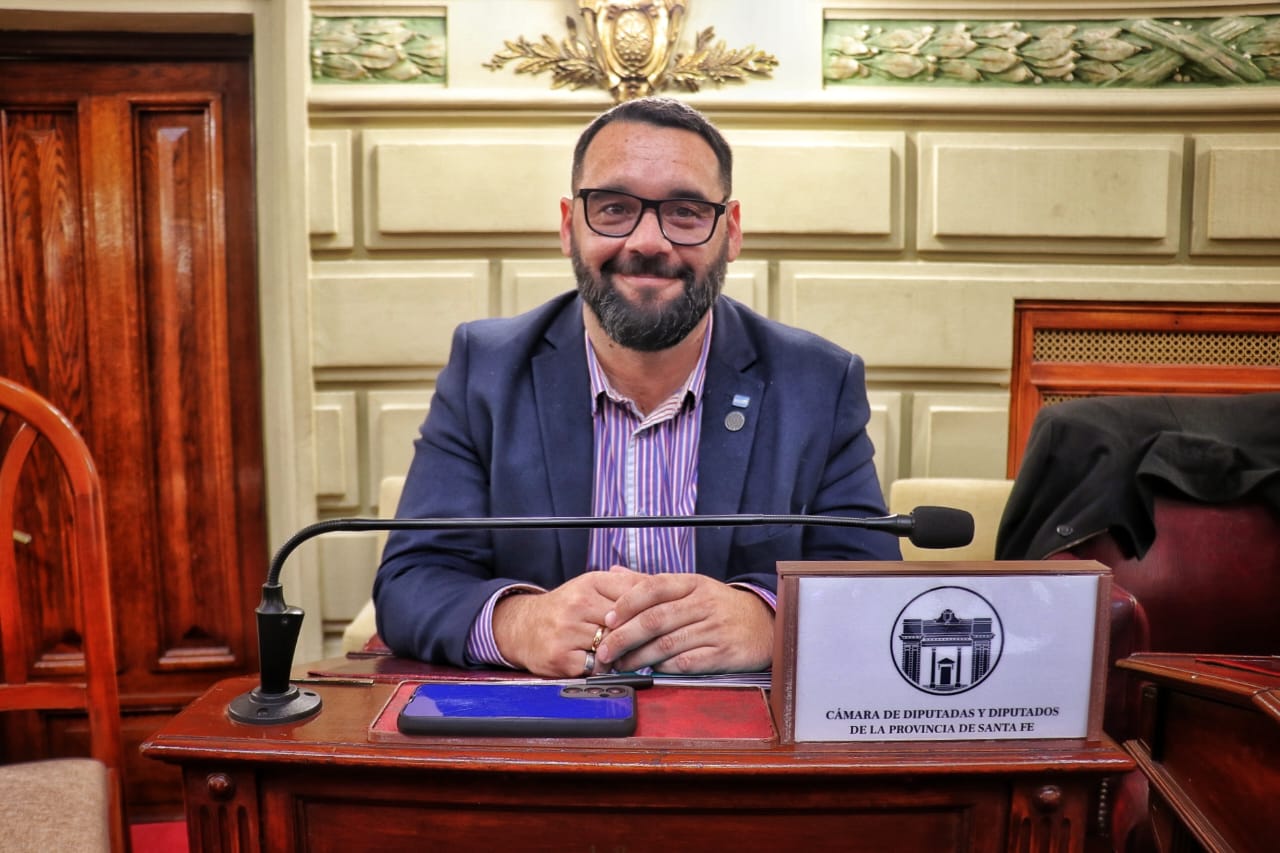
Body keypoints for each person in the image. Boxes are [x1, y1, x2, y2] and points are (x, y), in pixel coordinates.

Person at [374, 96, 901, 678]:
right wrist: (520, 623)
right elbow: (411, 582)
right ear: (569, 225)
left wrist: (769, 619)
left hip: (736, 722)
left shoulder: (817, 382)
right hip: (545, 719)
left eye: (685, 211)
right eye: (614, 208)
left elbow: (872, 586)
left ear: (731, 232)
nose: (648, 242)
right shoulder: (486, 369)